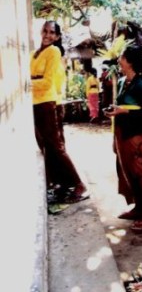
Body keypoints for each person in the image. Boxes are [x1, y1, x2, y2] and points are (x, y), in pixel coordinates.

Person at [30, 20, 88, 203]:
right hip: (36, 103)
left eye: (51, 33)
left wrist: (28, 82)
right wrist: (33, 80)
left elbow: (46, 82)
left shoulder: (54, 51)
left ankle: (79, 185)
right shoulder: (34, 54)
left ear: (57, 37)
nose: (47, 35)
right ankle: (62, 183)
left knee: (56, 146)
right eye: (45, 31)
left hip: (48, 103)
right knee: (47, 147)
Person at [104, 46, 142, 233]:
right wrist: (115, 112)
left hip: (135, 134)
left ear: (130, 62)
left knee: (140, 173)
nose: (119, 60)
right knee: (127, 173)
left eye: (122, 58)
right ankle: (138, 208)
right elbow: (121, 105)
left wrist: (124, 111)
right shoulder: (121, 82)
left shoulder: (140, 84)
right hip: (122, 132)